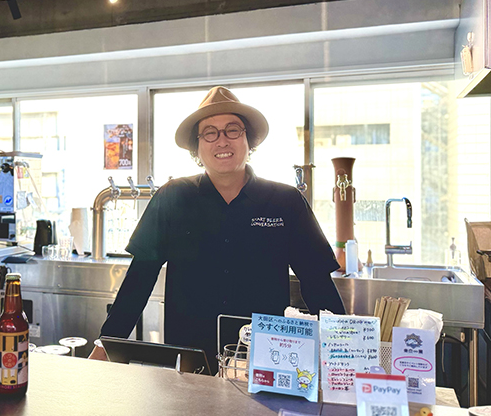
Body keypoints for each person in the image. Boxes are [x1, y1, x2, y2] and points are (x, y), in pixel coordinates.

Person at [89, 87, 345, 366]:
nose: (222, 141)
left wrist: (342, 349)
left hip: (266, 361)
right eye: (209, 133)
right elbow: (139, 279)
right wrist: (106, 343)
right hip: (190, 360)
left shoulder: (285, 201)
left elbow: (317, 282)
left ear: (249, 140)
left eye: (232, 130)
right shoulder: (172, 197)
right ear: (197, 147)